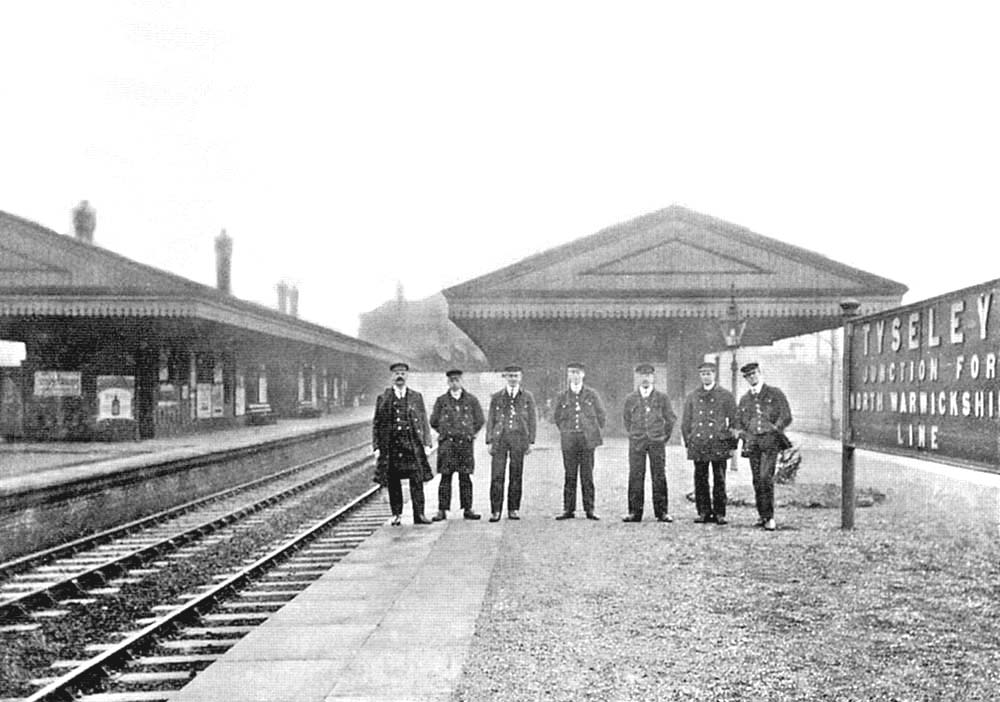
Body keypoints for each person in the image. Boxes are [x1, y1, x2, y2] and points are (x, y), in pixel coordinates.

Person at [372, 362, 435, 526]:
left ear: (407, 376)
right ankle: (396, 514)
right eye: (396, 373)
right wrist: (377, 447)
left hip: (412, 445)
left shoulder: (416, 396)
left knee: (417, 480)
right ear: (392, 376)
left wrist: (427, 443)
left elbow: (423, 421)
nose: (400, 376)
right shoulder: (383, 398)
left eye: (402, 373)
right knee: (393, 481)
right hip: (392, 447)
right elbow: (377, 424)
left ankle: (419, 514)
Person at [733, 362, 793, 531]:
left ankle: (770, 517)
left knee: (766, 478)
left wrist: (776, 428)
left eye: (754, 374)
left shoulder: (774, 393)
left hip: (770, 442)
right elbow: (739, 421)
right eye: (748, 376)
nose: (752, 377)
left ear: (760, 373)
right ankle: (762, 515)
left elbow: (786, 415)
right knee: (757, 480)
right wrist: (743, 434)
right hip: (753, 444)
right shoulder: (745, 399)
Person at [681, 361, 738, 525]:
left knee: (719, 478)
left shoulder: (725, 395)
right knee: (700, 478)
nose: (706, 376)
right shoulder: (692, 396)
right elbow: (686, 421)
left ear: (715, 374)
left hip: (719, 442)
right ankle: (703, 512)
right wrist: (689, 441)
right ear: (700, 376)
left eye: (709, 373)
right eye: (703, 373)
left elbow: (734, 421)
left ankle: (720, 512)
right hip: (699, 442)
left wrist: (732, 444)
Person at [622, 363, 677, 522]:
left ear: (653, 378)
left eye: (648, 375)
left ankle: (662, 512)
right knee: (635, 475)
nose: (645, 379)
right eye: (642, 375)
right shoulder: (630, 399)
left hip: (656, 442)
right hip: (637, 442)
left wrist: (662, 437)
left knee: (659, 475)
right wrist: (635, 434)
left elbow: (670, 419)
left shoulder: (662, 398)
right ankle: (634, 512)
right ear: (638, 378)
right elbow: (627, 420)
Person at [429, 369, 485, 521]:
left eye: (457, 380)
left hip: (464, 445)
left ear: (462, 381)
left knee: (465, 477)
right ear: (448, 382)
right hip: (447, 445)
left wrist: (470, 432)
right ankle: (442, 510)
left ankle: (468, 509)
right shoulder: (441, 401)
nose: (454, 383)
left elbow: (480, 419)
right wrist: (445, 432)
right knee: (445, 478)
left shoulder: (471, 400)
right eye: (452, 380)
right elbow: (433, 421)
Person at [553, 362, 606, 521]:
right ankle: (568, 509)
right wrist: (565, 430)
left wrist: (591, 431)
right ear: (568, 375)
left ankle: (589, 509)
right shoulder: (562, 396)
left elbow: (601, 415)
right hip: (569, 440)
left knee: (587, 475)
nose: (575, 376)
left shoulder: (591, 394)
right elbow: (557, 417)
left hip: (587, 441)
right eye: (571, 373)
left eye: (577, 372)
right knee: (570, 475)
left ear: (583, 374)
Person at [485, 365, 537, 522]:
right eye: (510, 376)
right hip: (500, 438)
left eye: (516, 376)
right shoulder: (497, 397)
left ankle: (513, 508)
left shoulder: (527, 397)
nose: (513, 379)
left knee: (516, 474)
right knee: (497, 475)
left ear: (520, 377)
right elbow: (491, 419)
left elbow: (532, 420)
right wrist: (489, 440)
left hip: (519, 438)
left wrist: (531, 441)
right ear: (505, 377)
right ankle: (496, 510)